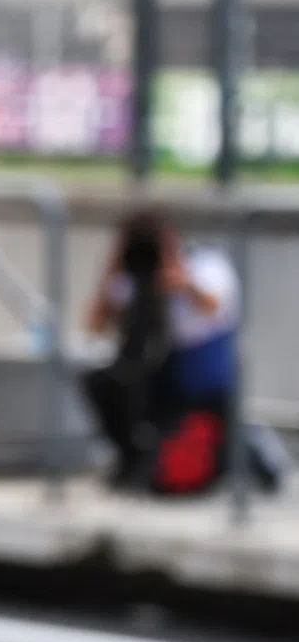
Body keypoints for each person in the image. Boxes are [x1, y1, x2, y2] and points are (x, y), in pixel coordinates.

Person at [83, 210, 239, 493]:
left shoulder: (206, 265)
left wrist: (182, 279)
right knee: (104, 384)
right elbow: (94, 326)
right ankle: (131, 460)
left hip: (199, 373)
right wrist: (110, 271)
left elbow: (214, 307)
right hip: (155, 368)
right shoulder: (131, 277)